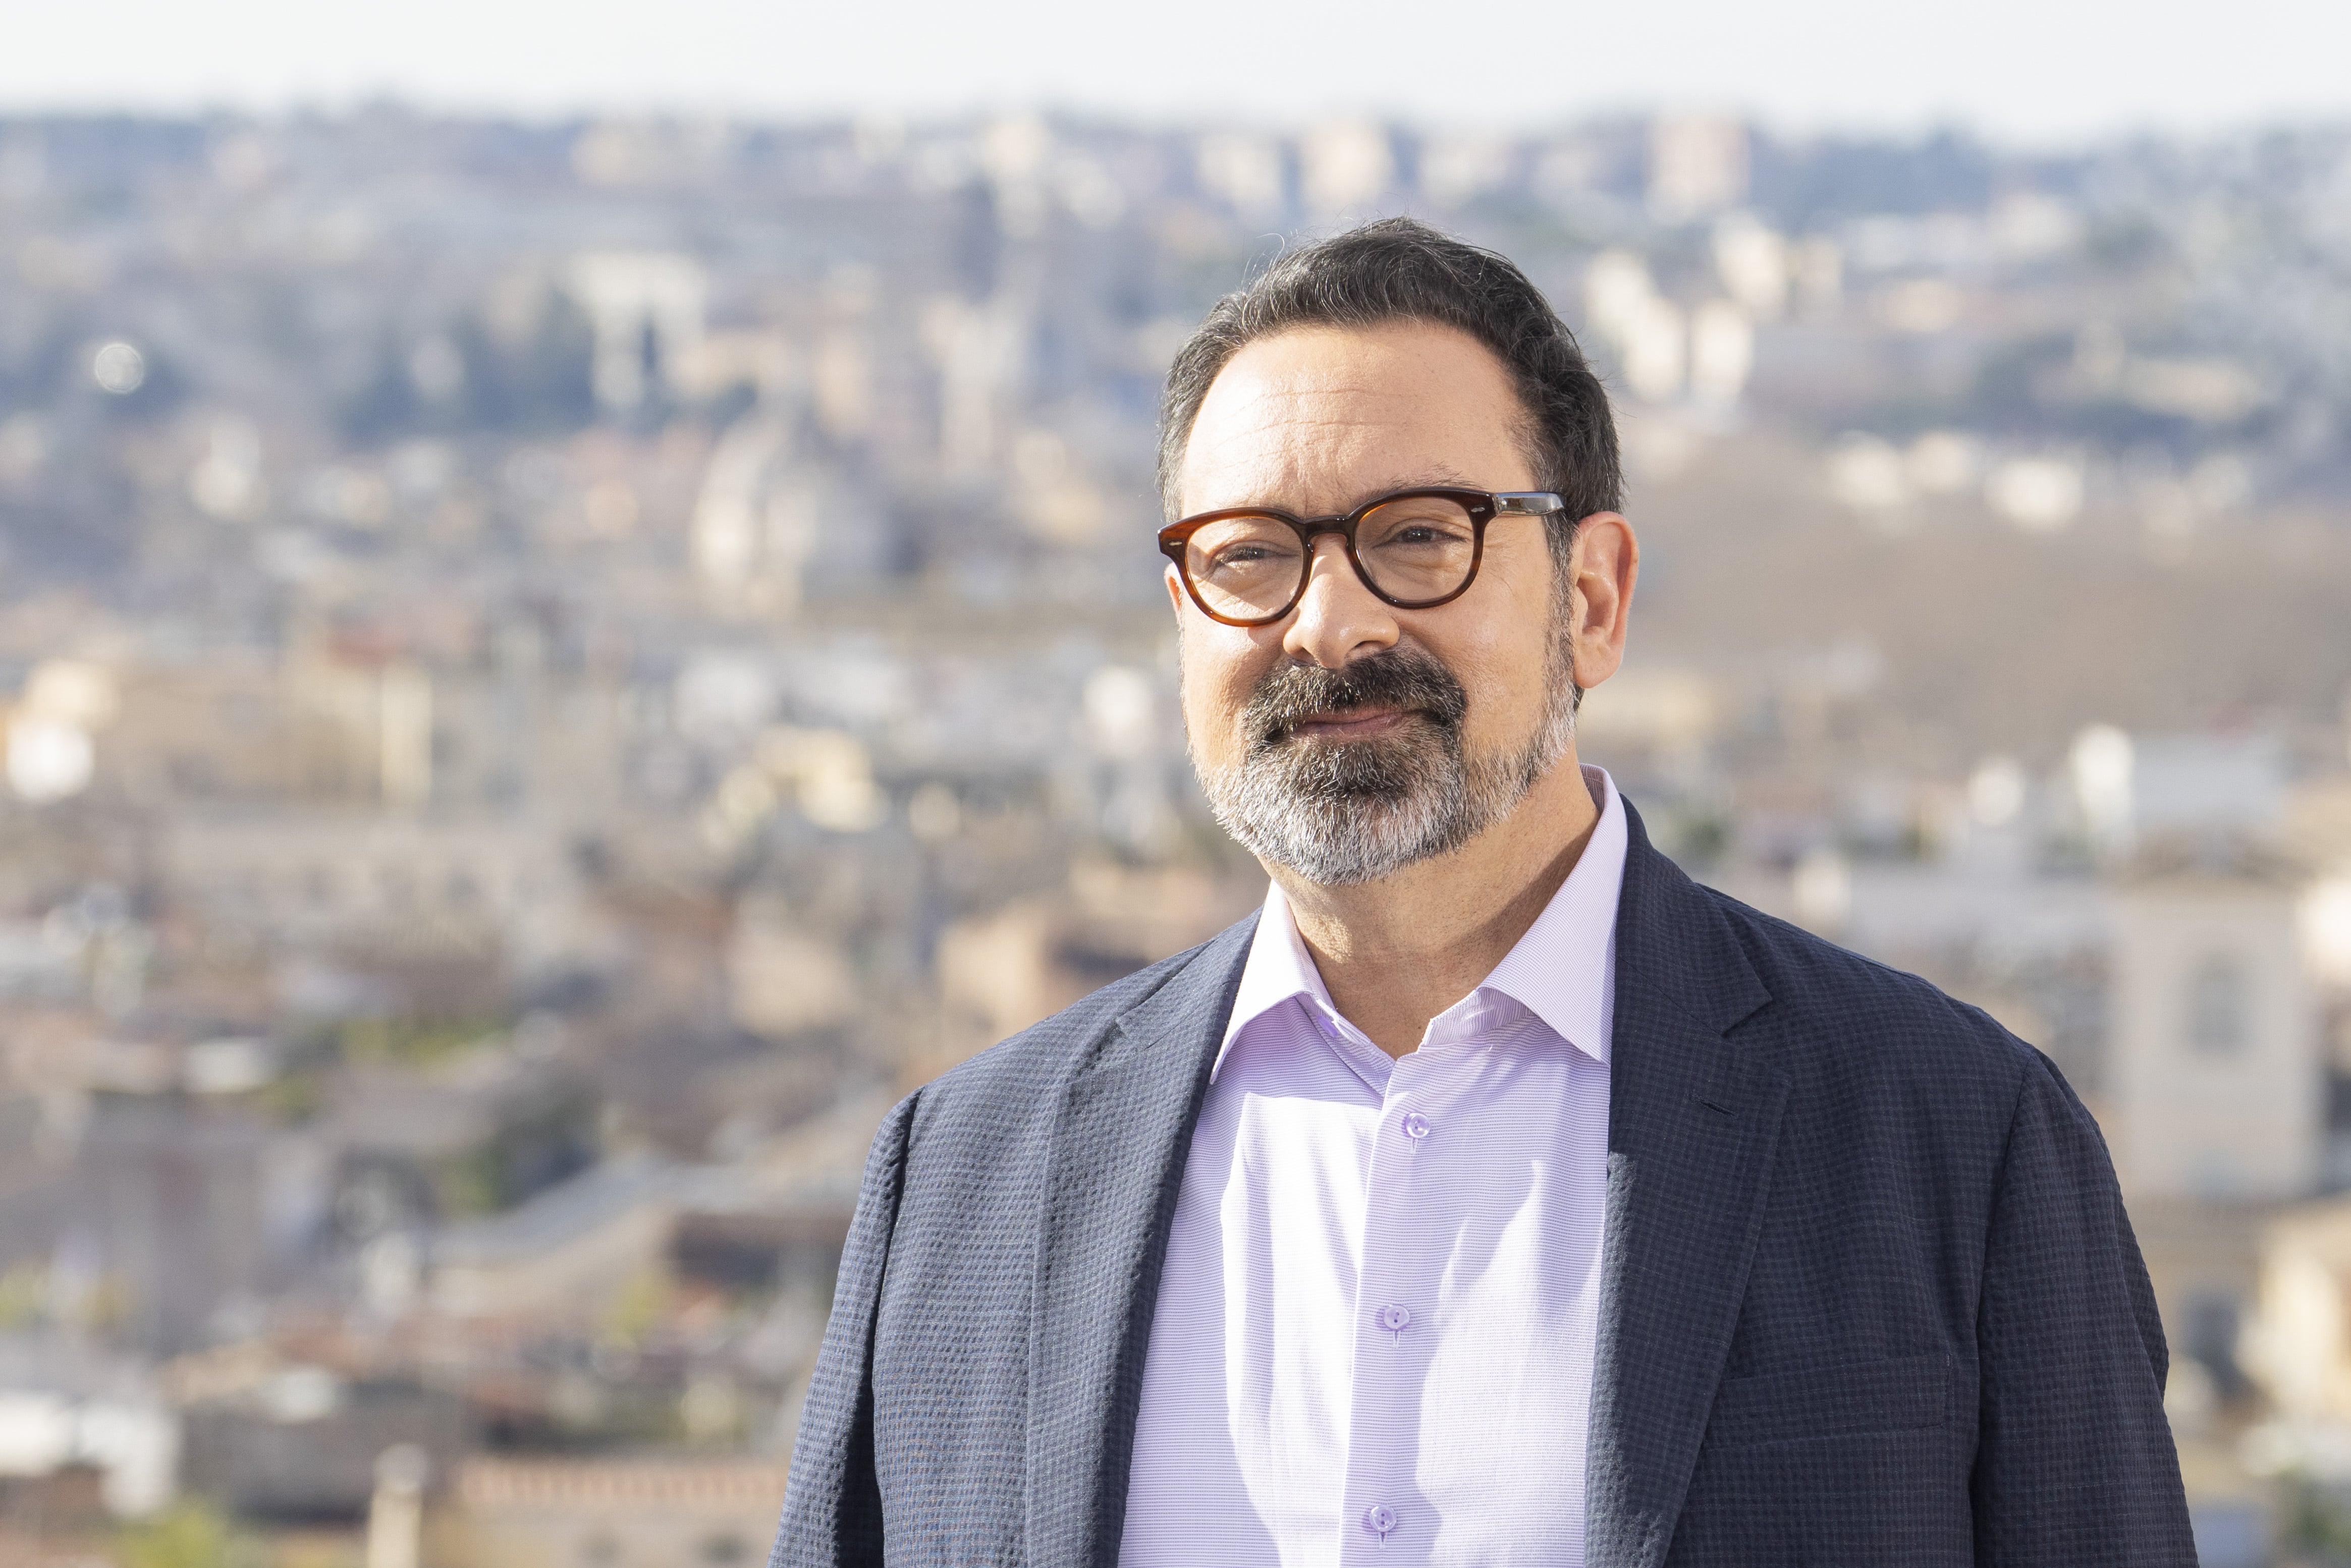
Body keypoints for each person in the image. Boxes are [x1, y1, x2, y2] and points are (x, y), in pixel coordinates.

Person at [771, 218, 2194, 1566]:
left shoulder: (1950, 1142)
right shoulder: (964, 1178)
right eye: (1249, 557)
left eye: (1419, 534)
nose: (1328, 623)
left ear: (1592, 599)